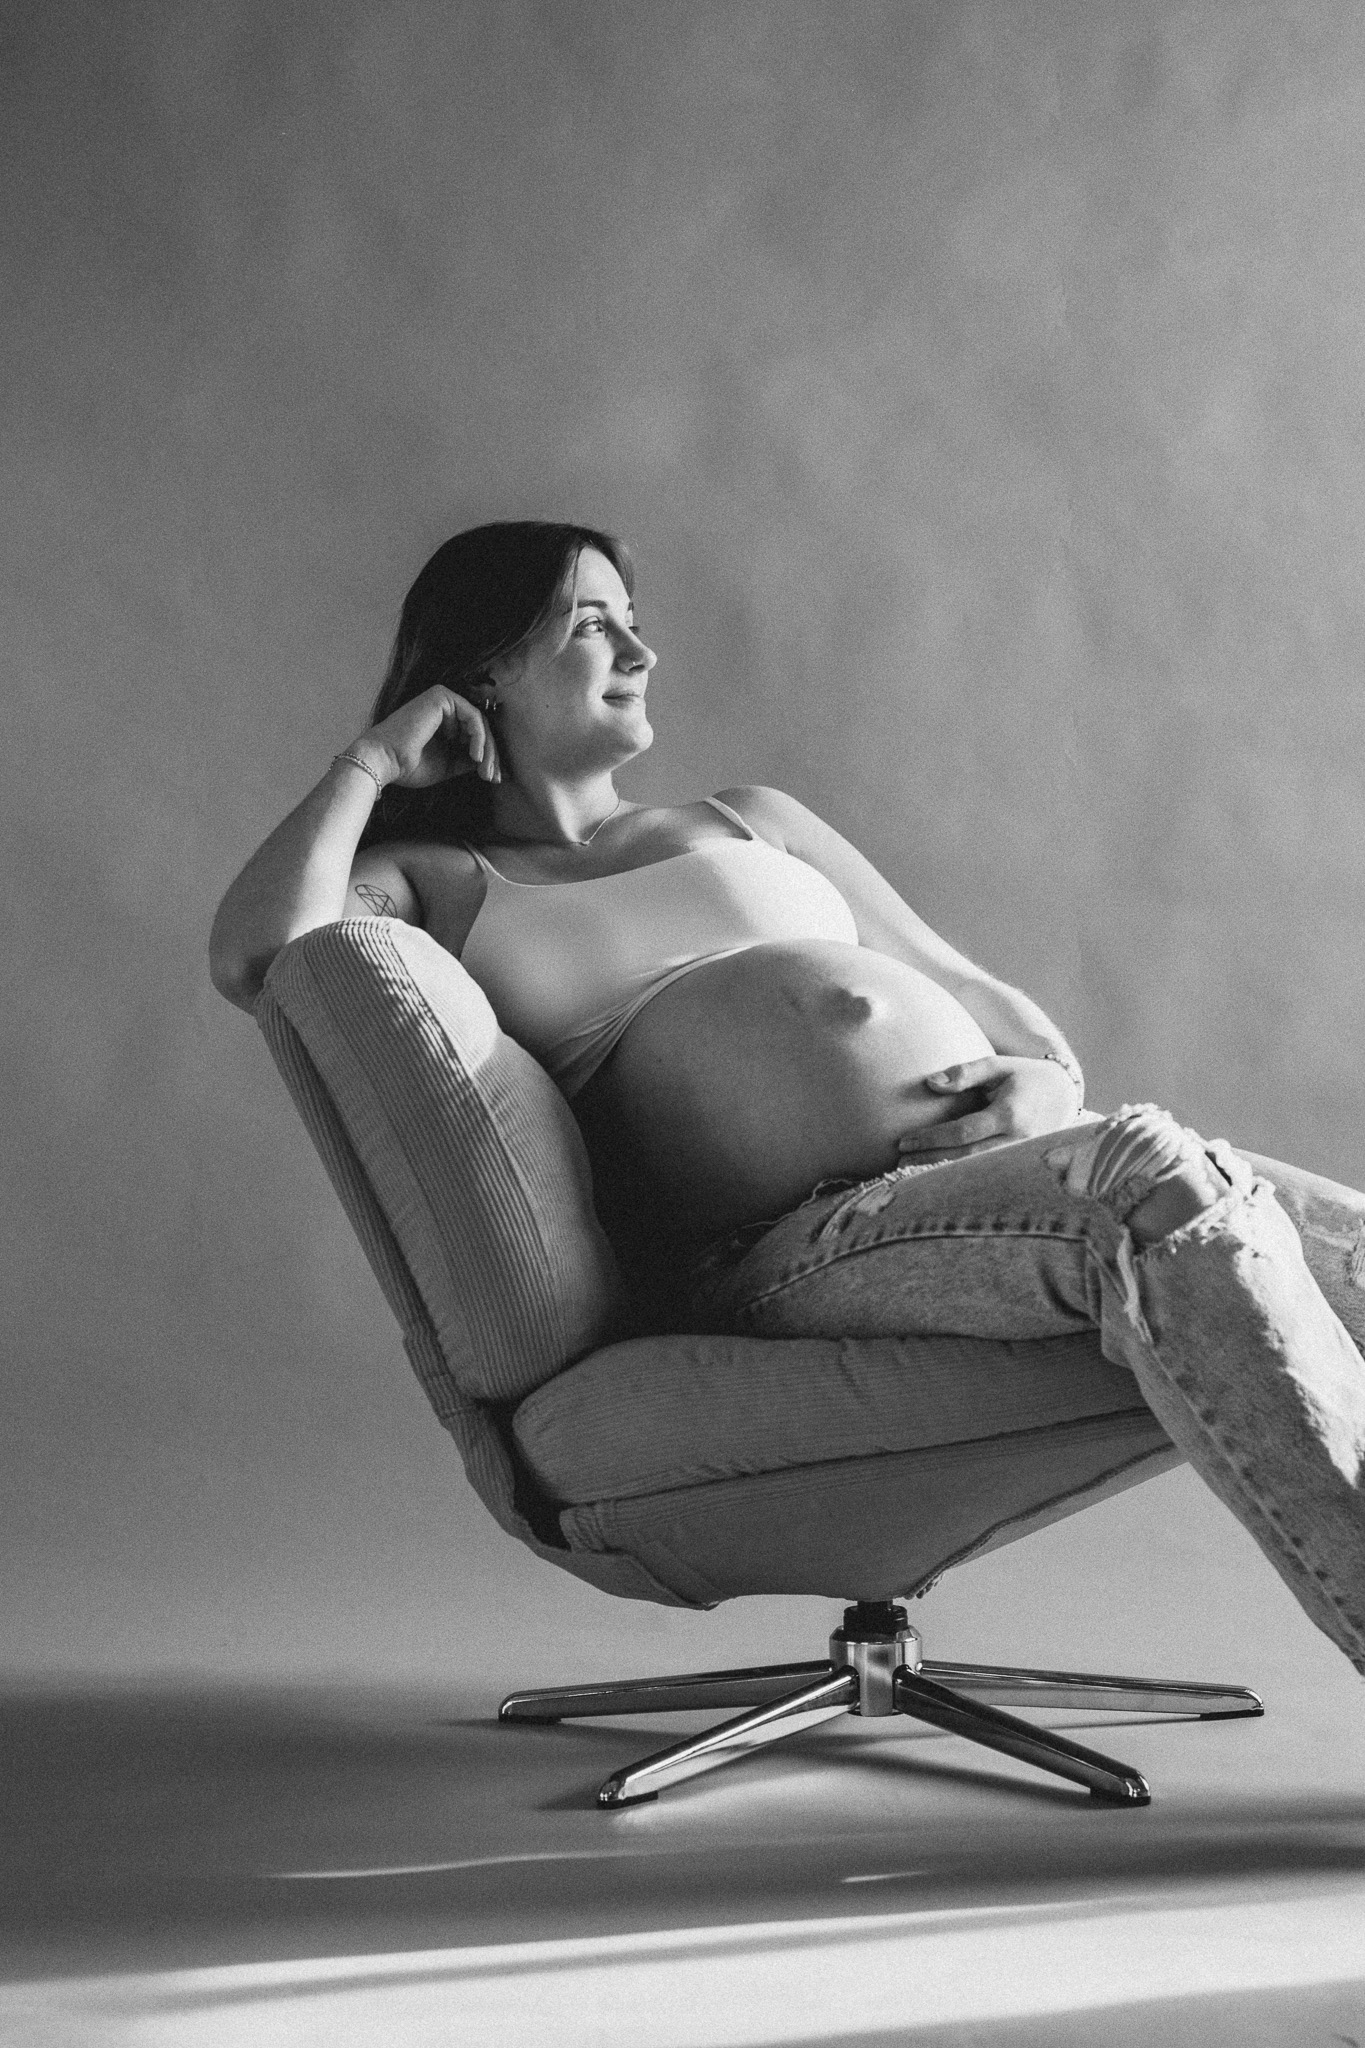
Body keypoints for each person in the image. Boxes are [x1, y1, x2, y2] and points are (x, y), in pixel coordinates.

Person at [211, 520, 1365, 1677]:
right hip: (787, 1242)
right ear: (484, 672)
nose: (641, 652)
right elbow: (267, 960)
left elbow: (973, 989)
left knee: (1351, 1256)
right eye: (592, 625)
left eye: (634, 622)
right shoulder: (441, 884)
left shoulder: (750, 818)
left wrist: (1043, 1078)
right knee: (1157, 1190)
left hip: (1003, 1167)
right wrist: (369, 765)